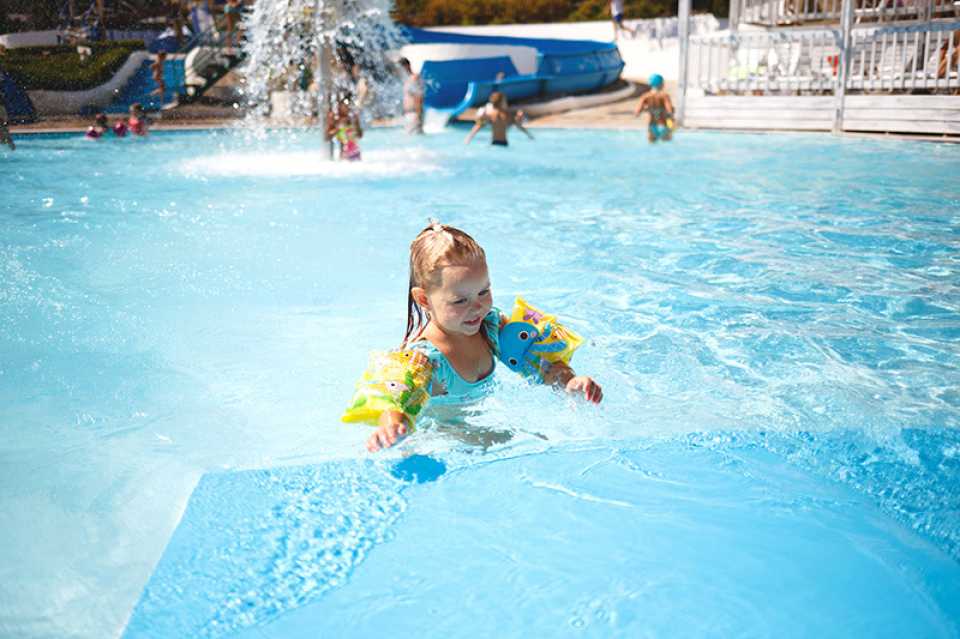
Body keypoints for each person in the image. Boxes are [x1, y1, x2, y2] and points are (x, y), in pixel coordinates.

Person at [362, 222, 603, 452]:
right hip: (436, 435)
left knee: (540, 440)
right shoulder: (424, 358)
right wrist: (392, 425)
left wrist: (569, 382)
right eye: (460, 300)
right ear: (424, 299)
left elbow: (542, 364)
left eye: (483, 291)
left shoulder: (491, 327)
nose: (477, 307)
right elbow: (399, 392)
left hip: (476, 426)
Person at [464, 91, 533, 147]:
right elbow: (519, 126)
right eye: (505, 101)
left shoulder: (505, 115)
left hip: (495, 143)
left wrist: (519, 118)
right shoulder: (498, 114)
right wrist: (529, 135)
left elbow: (478, 125)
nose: (506, 102)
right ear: (500, 102)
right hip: (503, 143)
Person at [633, 73, 675, 143]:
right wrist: (671, 117)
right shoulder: (664, 96)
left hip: (652, 125)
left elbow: (638, 111)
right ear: (661, 84)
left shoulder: (646, 96)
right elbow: (669, 109)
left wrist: (638, 113)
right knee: (666, 142)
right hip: (663, 124)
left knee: (652, 142)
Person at [398, 57, 423, 135]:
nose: (399, 70)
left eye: (400, 68)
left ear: (406, 66)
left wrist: (418, 115)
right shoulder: (406, 80)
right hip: (408, 114)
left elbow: (419, 96)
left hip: (414, 114)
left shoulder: (414, 78)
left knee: (415, 139)